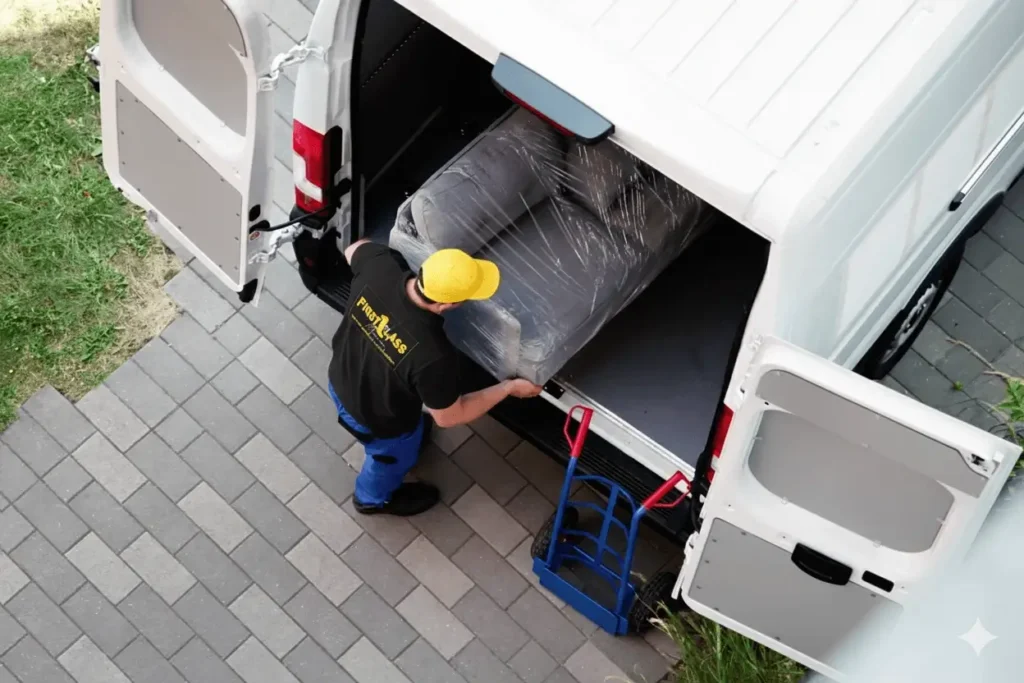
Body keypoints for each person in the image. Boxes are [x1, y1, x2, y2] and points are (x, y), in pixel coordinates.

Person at [328, 239, 544, 517]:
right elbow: (450, 416)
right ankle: (372, 499)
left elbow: (353, 249)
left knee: (409, 431)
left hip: (340, 377)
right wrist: (508, 388)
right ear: (446, 305)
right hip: (378, 420)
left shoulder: (379, 266)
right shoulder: (434, 356)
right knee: (389, 460)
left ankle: (407, 445)